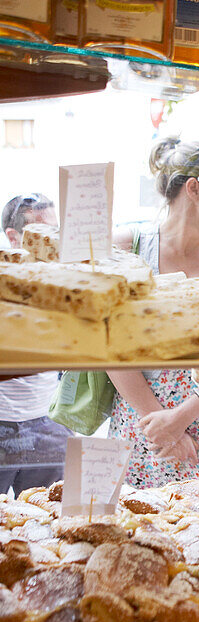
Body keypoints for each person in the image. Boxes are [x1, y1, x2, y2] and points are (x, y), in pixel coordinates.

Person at [108, 139, 199, 523]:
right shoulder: (128, 246)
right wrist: (162, 423)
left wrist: (183, 417)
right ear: (194, 188)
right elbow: (107, 344)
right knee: (138, 544)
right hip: (143, 423)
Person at [0, 193, 73, 495]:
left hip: (49, 424)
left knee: (48, 519)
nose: (50, 242)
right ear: (13, 237)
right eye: (40, 234)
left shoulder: (62, 285)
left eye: (54, 232)